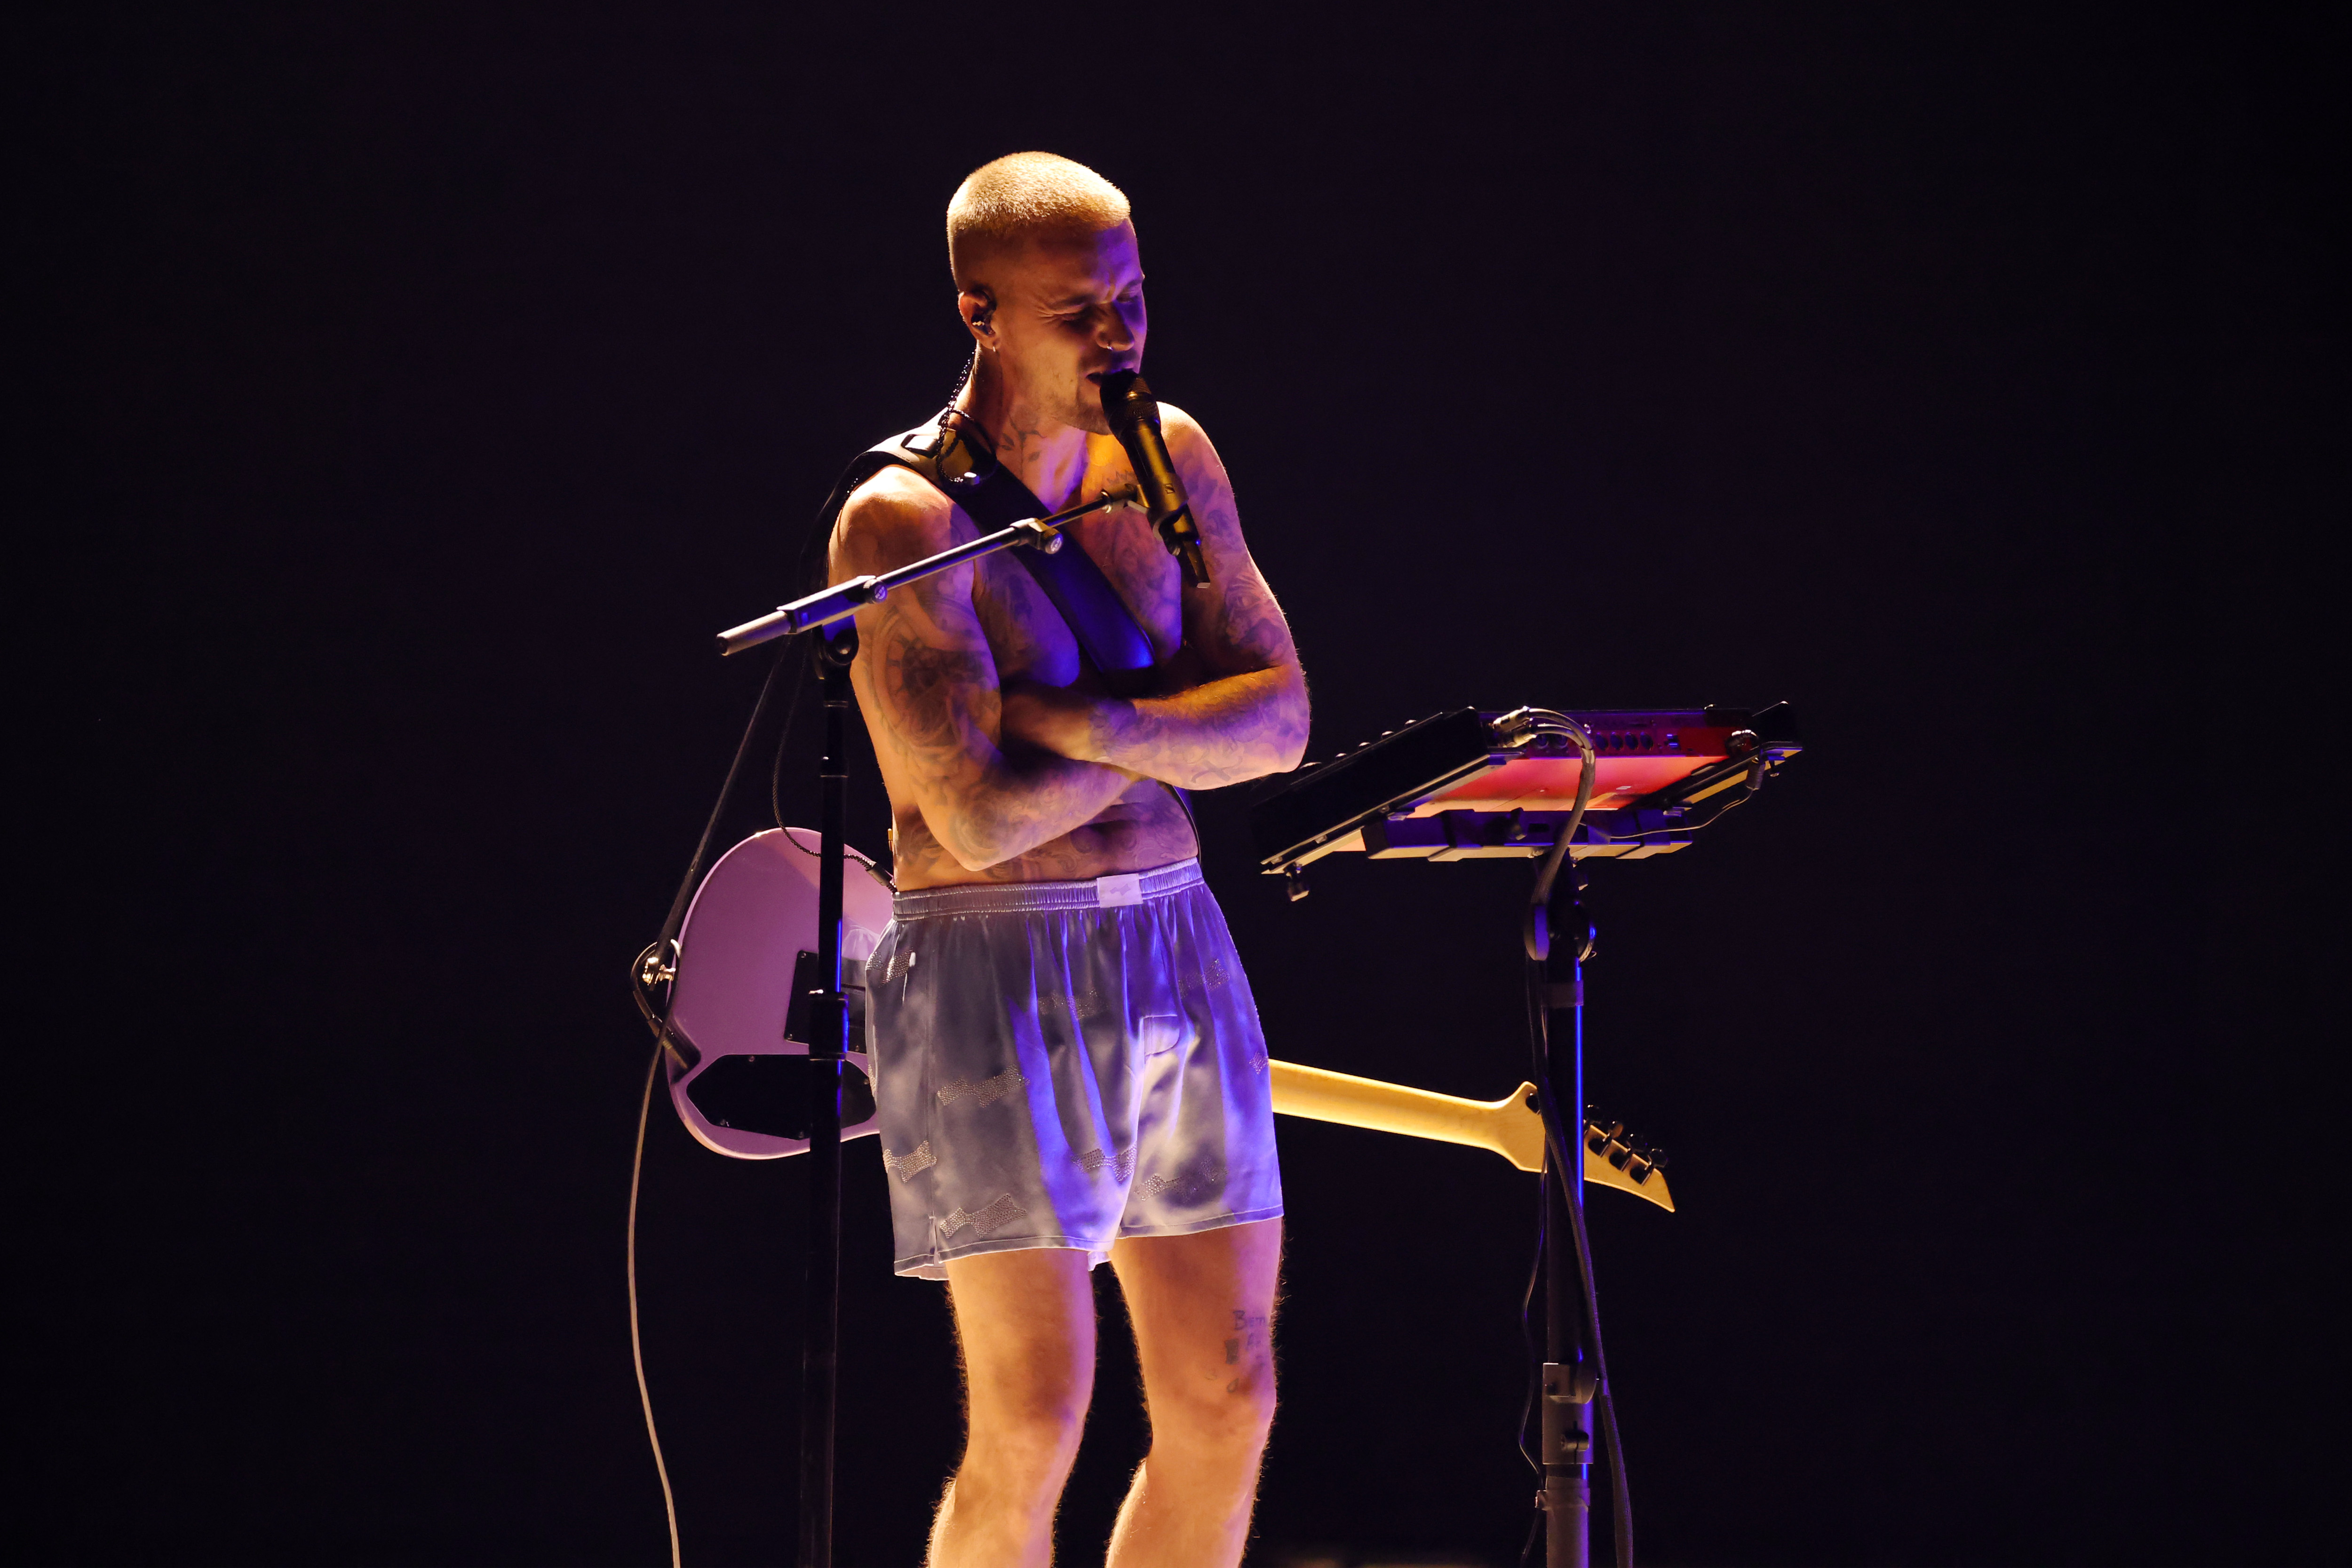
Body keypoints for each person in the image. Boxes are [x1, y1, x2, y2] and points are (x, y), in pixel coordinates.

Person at [828, 151, 1311, 1568]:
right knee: (1034, 1416)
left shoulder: (1170, 456)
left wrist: (1083, 723)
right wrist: (1178, 735)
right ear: (982, 314)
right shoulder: (901, 524)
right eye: (1078, 311)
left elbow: (1280, 721)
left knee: (1227, 1394)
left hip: (1171, 932)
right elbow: (974, 819)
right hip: (991, 962)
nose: (1120, 336)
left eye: (1133, 299)